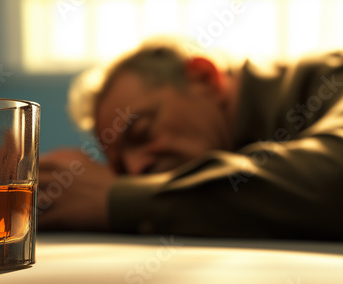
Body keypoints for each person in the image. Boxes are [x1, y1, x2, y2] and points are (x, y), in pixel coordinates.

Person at [38, 39, 343, 240]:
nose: (137, 168)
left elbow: (334, 179)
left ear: (204, 78)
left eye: (142, 132)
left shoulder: (331, 77)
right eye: (121, 169)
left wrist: (116, 198)